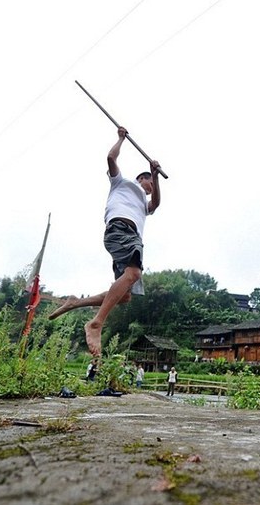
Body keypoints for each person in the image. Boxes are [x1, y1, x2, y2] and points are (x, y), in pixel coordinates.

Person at [48, 126, 161, 357]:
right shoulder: (122, 184)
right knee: (134, 274)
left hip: (130, 238)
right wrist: (120, 139)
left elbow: (156, 204)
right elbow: (111, 157)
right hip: (120, 229)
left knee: (125, 295)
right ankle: (96, 323)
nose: (149, 189)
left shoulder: (144, 204)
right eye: (148, 182)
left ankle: (74, 302)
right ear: (141, 179)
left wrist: (157, 175)